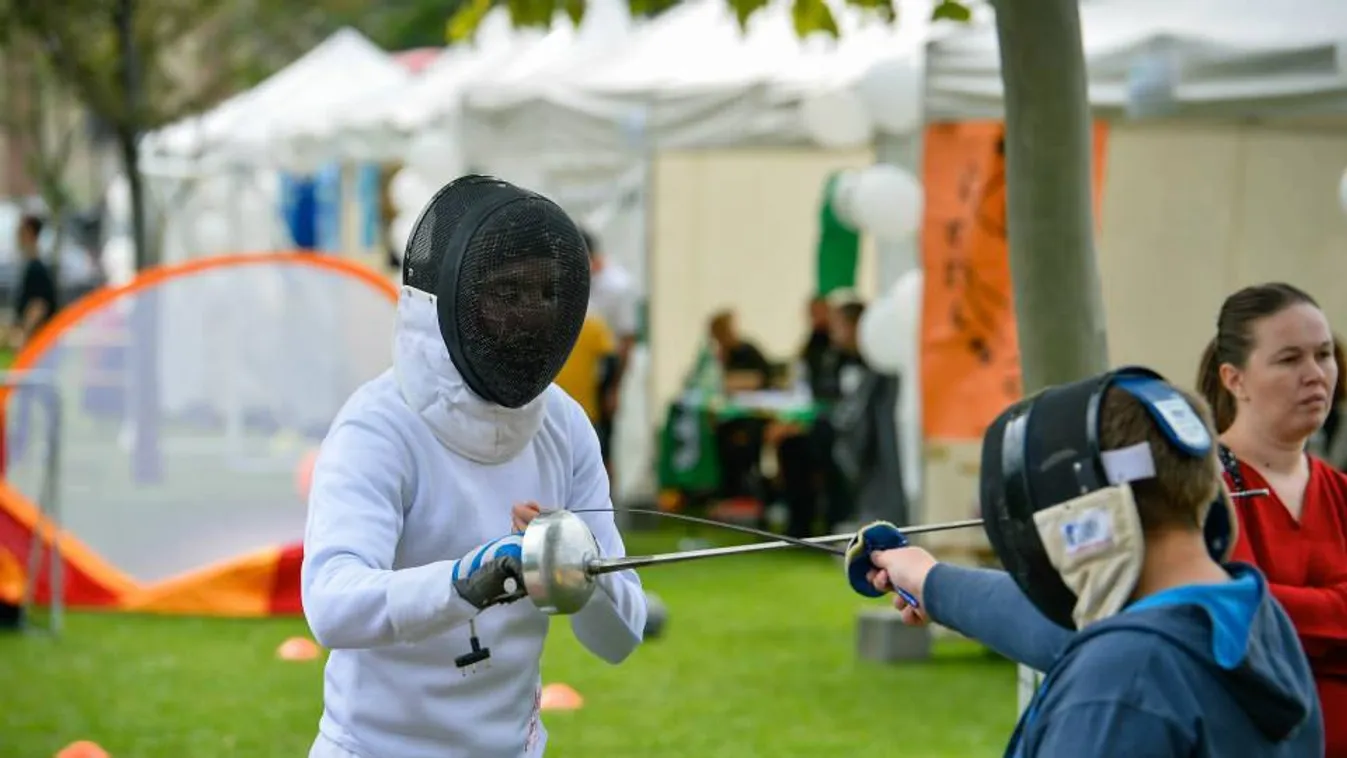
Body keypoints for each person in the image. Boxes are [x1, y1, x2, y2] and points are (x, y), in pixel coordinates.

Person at [301, 175, 647, 758]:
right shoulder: (378, 426)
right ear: (449, 300)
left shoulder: (563, 426)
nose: (531, 313)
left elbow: (619, 639)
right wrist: (468, 579)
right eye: (507, 292)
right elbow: (333, 604)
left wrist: (577, 567)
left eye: (546, 292)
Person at [859, 366, 1322, 757]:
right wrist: (926, 579)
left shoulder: (1120, 682)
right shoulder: (1251, 621)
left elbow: (1110, 659)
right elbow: (1064, 630)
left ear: (1095, 514)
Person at [1196, 282, 1347, 757]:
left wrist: (1284, 609)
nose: (1316, 374)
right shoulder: (1196, 489)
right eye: (1289, 359)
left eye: (1324, 355)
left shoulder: (1340, 494)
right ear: (1234, 379)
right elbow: (1234, 615)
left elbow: (1267, 608)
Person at [581, 228, 639, 472]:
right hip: (577, 371)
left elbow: (626, 340)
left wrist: (614, 388)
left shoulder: (618, 286)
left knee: (602, 445)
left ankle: (604, 503)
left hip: (605, 372)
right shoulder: (575, 279)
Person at [554, 311, 617, 430]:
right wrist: (611, 391)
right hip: (586, 409)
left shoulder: (553, 326)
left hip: (557, 407)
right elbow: (610, 359)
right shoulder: (594, 325)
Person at [12, 214, 57, 348]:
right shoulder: (30, 266)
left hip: (36, 340)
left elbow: (38, 306)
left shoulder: (36, 268)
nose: (17, 237)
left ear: (29, 233)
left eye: (20, 232)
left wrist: (24, 335)